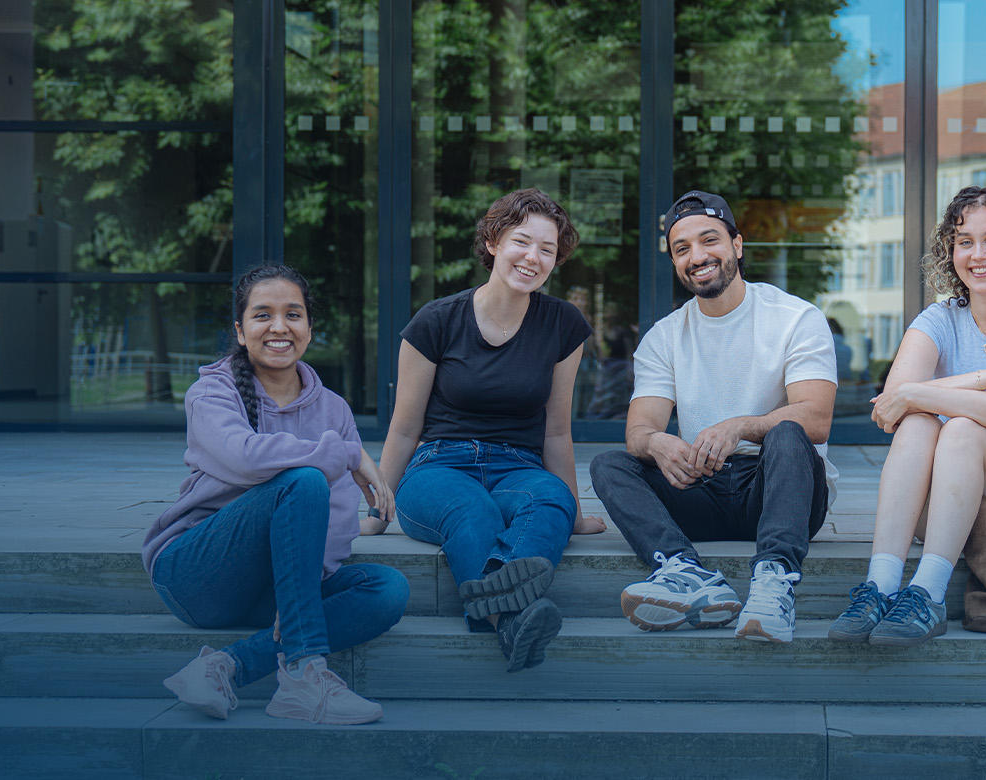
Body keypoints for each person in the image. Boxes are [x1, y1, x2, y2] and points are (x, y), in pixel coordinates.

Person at [145, 262, 405, 726]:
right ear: (240, 331)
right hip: (197, 573)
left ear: (309, 328)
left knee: (387, 590)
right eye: (263, 315)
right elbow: (244, 457)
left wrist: (302, 591)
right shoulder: (211, 392)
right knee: (303, 481)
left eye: (293, 314)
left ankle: (225, 666)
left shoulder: (333, 409)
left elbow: (340, 514)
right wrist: (347, 452)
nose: (279, 327)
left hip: (276, 583)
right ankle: (304, 675)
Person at [826, 186, 986, 648]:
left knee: (959, 428)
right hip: (951, 487)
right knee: (918, 423)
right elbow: (890, 407)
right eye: (965, 242)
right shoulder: (939, 319)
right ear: (951, 252)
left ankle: (928, 593)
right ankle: (880, 585)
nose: (977, 255)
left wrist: (919, 394)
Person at [589, 190, 839, 644]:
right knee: (610, 464)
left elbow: (817, 418)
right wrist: (658, 443)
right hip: (701, 486)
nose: (697, 257)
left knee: (787, 431)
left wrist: (739, 426)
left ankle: (773, 582)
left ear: (737, 245)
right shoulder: (664, 336)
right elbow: (639, 431)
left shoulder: (795, 317)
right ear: (674, 261)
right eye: (682, 248)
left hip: (780, 489)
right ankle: (685, 572)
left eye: (709, 240)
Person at [377, 189, 594, 673]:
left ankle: (501, 616)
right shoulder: (436, 320)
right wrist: (377, 509)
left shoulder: (563, 324)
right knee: (473, 509)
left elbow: (556, 432)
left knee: (551, 500)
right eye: (522, 241)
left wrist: (575, 514)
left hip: (518, 467)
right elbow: (405, 427)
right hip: (439, 467)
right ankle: (511, 617)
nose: (533, 257)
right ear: (493, 241)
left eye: (548, 250)